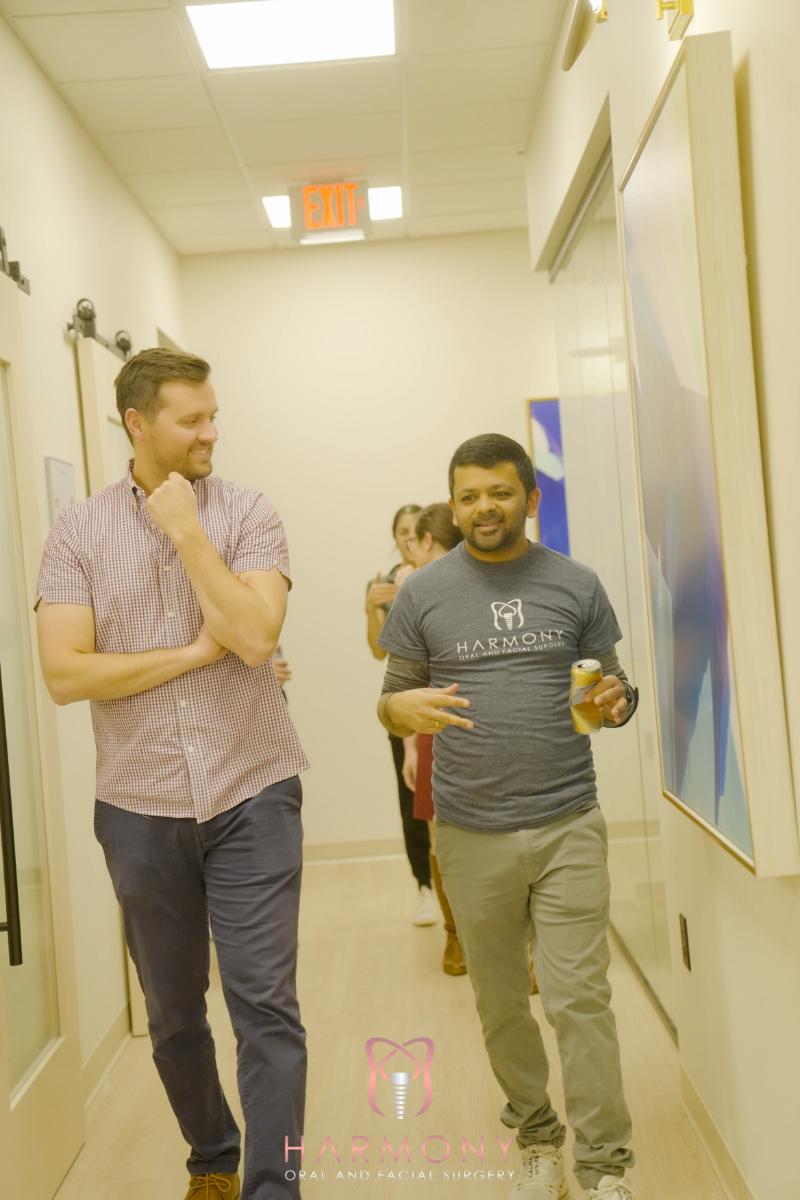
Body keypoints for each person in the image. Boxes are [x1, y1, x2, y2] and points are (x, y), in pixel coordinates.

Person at [35, 348, 308, 1200]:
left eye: (213, 415)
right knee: (174, 1014)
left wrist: (186, 530)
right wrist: (195, 651)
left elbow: (258, 639)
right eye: (192, 419)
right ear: (138, 423)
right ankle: (212, 1157)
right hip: (138, 806)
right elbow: (65, 675)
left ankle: (276, 1189)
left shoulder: (249, 513)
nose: (210, 433)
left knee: (266, 1009)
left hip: (253, 787)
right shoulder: (77, 532)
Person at [377, 433, 640, 1200]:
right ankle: (535, 1136)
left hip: (567, 822)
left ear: (531, 498)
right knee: (500, 1004)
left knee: (577, 997)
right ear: (452, 506)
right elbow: (390, 701)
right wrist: (401, 708)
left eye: (498, 493)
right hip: (468, 831)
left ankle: (603, 1167)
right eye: (467, 496)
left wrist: (619, 703)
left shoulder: (576, 584)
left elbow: (608, 694)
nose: (482, 507)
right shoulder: (425, 592)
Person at [399, 503, 467, 975]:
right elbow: (403, 676)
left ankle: (515, 943)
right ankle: (454, 935)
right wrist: (407, 745)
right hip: (430, 724)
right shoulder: (412, 591)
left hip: (477, 719)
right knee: (438, 840)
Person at [365, 504, 434, 925]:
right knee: (412, 800)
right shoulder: (383, 583)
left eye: (416, 530)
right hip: (405, 706)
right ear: (395, 537)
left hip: (444, 700)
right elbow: (378, 650)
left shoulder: (444, 574)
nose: (410, 538)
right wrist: (373, 607)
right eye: (402, 532)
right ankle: (425, 886)